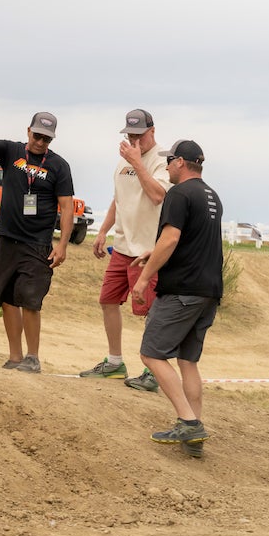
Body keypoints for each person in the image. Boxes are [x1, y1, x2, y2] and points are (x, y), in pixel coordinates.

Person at [0, 112, 76, 373]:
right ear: (28, 131)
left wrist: (62, 244)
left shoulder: (59, 166)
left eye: (47, 139)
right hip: (8, 239)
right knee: (7, 297)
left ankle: (33, 357)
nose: (41, 142)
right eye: (38, 135)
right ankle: (15, 356)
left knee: (30, 299)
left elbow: (66, 207)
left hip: (37, 243)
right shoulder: (11, 151)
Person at [130, 139, 223, 458]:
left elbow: (171, 238)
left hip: (182, 291)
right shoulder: (211, 195)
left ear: (181, 162)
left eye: (169, 160)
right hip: (208, 292)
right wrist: (152, 253)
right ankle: (193, 437)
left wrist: (143, 279)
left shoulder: (179, 193)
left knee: (151, 354)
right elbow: (190, 241)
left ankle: (188, 422)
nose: (166, 166)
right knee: (187, 361)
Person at [79, 109, 172, 391]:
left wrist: (137, 162)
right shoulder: (122, 163)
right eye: (130, 135)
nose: (134, 140)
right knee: (107, 300)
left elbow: (158, 195)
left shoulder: (161, 160)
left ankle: (153, 370)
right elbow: (118, 199)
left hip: (148, 251)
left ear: (152, 132)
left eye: (139, 135)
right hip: (121, 247)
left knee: (149, 310)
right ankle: (115, 362)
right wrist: (104, 230)